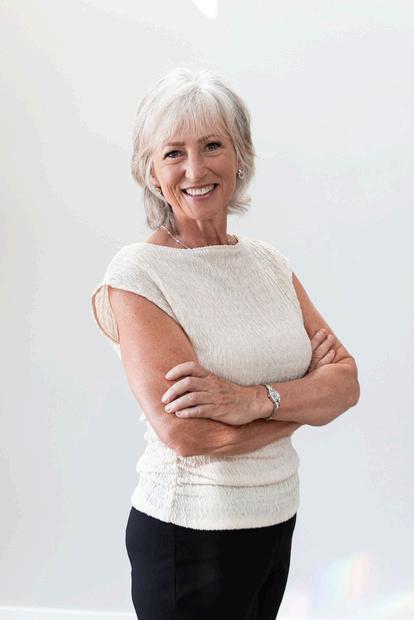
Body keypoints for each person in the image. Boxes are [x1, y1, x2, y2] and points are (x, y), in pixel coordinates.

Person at [90, 66, 360, 620]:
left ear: (239, 155)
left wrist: (252, 401)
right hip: (190, 537)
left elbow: (346, 384)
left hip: (274, 523)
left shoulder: (267, 264)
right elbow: (187, 434)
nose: (196, 169)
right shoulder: (138, 274)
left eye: (212, 145)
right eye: (174, 153)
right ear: (151, 171)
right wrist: (302, 408)